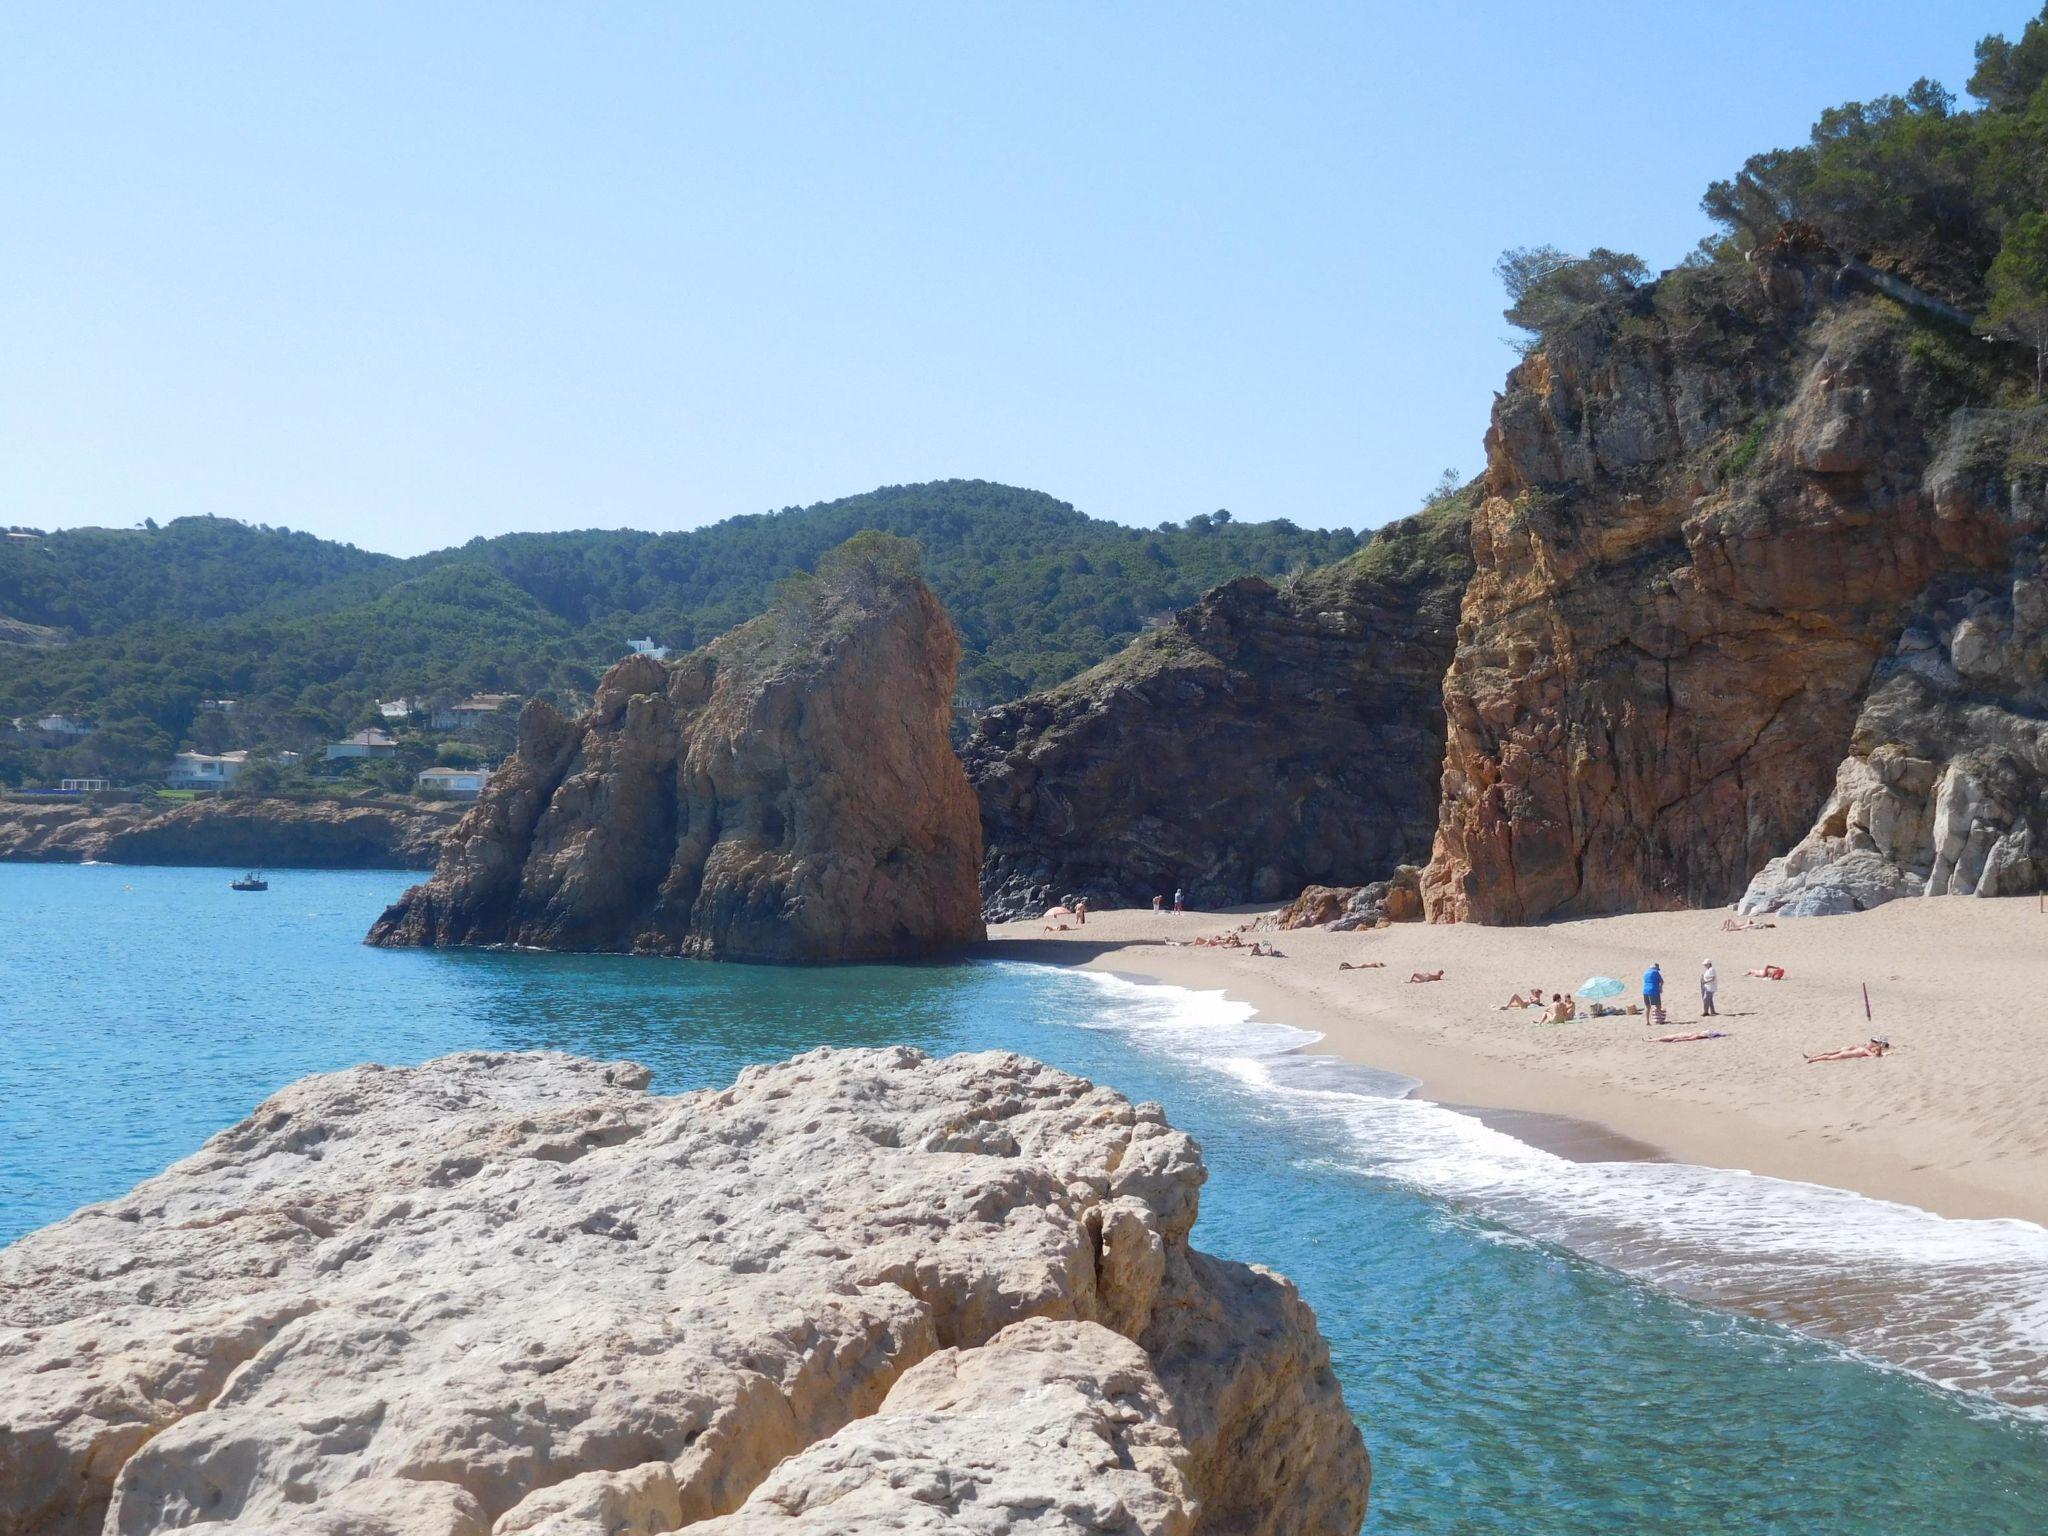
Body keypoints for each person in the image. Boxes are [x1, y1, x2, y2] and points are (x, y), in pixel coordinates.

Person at [1805, 1038, 1891, 1063]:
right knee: (1828, 1057)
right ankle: (1813, 1059)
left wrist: (1882, 1052)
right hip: (1845, 1054)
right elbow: (1873, 1056)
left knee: (1828, 1055)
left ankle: (1813, 1058)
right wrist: (1882, 1053)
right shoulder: (1865, 1050)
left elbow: (1873, 1054)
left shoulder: (1863, 1048)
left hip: (1846, 1052)